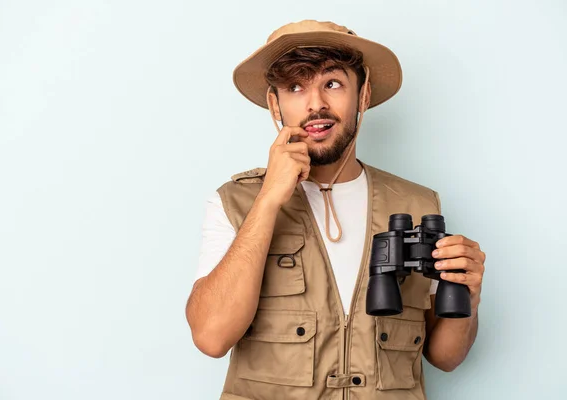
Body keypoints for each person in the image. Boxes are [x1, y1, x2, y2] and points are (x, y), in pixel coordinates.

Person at [185, 20, 486, 400]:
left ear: (363, 96)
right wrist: (268, 200)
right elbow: (211, 337)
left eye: (332, 83)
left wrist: (470, 297)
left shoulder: (417, 205)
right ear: (274, 103)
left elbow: (445, 357)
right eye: (295, 87)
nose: (316, 105)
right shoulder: (233, 202)